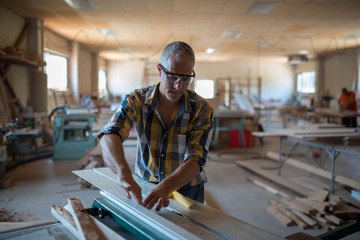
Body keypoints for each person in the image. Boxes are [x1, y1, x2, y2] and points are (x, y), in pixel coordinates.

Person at [98, 41, 214, 211]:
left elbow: (197, 159)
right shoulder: (136, 100)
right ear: (160, 70)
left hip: (188, 188)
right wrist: (122, 172)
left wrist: (166, 187)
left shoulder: (201, 109)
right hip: (146, 184)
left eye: (185, 79)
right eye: (172, 77)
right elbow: (109, 134)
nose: (178, 86)